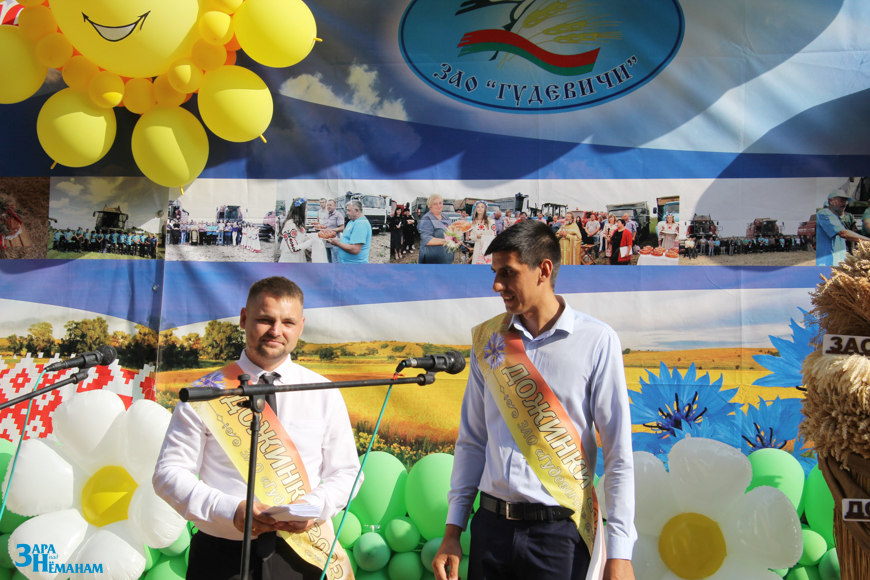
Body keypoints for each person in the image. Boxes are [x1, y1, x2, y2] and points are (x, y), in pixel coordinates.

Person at [432, 220, 635, 580]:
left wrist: (620, 554)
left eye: (507, 273)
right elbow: (472, 441)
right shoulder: (490, 340)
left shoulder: (596, 341)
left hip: (560, 537)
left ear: (543, 270)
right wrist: (453, 531)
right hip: (491, 531)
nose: (497, 285)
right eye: (495, 273)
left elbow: (618, 453)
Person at [153, 277, 360, 580]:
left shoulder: (323, 392)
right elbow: (168, 474)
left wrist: (315, 506)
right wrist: (230, 510)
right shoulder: (205, 393)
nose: (276, 330)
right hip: (221, 557)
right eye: (265, 319)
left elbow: (347, 472)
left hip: (302, 555)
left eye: (288, 322)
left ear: (301, 326)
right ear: (243, 318)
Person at [816, 190, 870, 267]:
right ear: (831, 201)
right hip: (827, 264)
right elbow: (843, 233)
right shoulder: (824, 213)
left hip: (838, 263)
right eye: (842, 201)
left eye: (845, 202)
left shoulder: (836, 217)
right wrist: (868, 241)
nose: (844, 204)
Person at [418, 194, 455, 264]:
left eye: (440, 203)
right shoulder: (427, 219)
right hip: (432, 261)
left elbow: (452, 229)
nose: (439, 206)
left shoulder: (445, 216)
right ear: (430, 206)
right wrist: (447, 241)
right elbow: (427, 240)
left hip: (446, 259)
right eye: (435, 204)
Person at [277, 199, 313, 263]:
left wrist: (316, 236)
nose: (306, 211)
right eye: (306, 208)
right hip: (290, 259)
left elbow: (301, 238)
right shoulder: (290, 225)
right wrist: (311, 241)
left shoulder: (298, 224)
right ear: (300, 210)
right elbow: (294, 248)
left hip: (299, 257)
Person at [469, 200, 496, 265]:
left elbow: (494, 235)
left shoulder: (491, 221)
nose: (480, 209)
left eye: (482, 207)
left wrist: (484, 237)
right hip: (478, 247)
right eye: (478, 207)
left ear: (485, 209)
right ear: (475, 209)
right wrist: (476, 236)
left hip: (487, 247)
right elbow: (470, 236)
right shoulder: (472, 223)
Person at [322, 199, 346, 263]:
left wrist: (331, 230)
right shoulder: (326, 215)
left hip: (334, 243)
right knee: (328, 261)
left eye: (330, 205)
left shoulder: (338, 215)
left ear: (335, 206)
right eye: (328, 205)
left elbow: (342, 228)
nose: (329, 206)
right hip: (326, 242)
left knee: (335, 261)